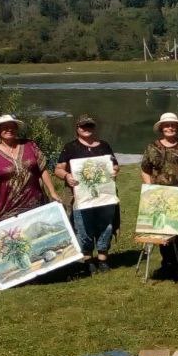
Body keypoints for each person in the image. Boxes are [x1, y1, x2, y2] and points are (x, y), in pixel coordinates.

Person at [54, 115, 119, 275]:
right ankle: (88, 259)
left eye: (89, 126)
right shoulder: (70, 147)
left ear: (94, 127)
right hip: (80, 196)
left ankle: (103, 258)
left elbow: (115, 165)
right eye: (83, 126)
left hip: (105, 195)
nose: (86, 129)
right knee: (84, 227)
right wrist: (67, 176)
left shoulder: (104, 146)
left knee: (106, 224)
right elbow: (58, 169)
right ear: (77, 128)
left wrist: (115, 170)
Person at [140, 112, 178, 276]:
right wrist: (149, 187)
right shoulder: (152, 147)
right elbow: (145, 169)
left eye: (173, 125)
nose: (170, 128)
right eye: (167, 125)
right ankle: (167, 263)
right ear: (161, 128)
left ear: (177, 128)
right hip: (160, 194)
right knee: (162, 229)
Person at [0, 114, 58, 224]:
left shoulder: (30, 145)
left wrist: (53, 192)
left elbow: (42, 169)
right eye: (4, 127)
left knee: (39, 234)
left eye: (12, 126)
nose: (9, 129)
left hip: (35, 201)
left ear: (16, 129)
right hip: (9, 207)